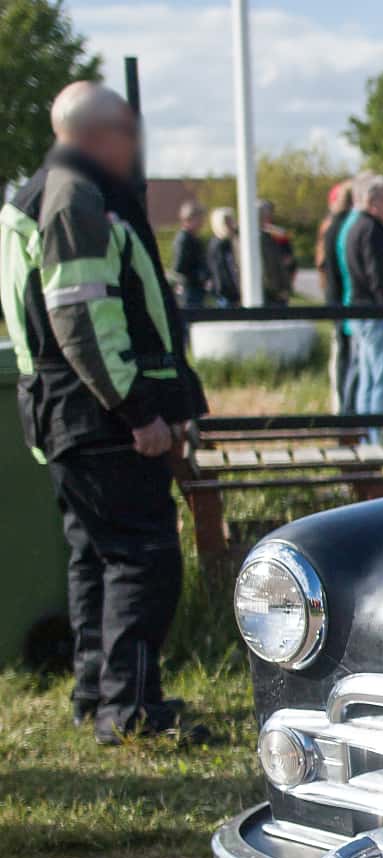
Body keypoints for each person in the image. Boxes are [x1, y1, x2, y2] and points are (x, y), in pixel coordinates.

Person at [0, 82, 209, 743]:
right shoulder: (77, 197)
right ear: (101, 135)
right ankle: (132, 709)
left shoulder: (37, 193)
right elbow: (82, 319)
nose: (134, 149)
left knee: (95, 557)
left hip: (65, 412)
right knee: (143, 559)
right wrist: (138, 411)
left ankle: (98, 696)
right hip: (101, 415)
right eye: (128, 134)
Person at [339, 172, 383, 467]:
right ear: (374, 201)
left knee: (368, 378)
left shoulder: (355, 226)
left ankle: (367, 438)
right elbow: (379, 274)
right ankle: (379, 442)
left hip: (360, 311)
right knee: (381, 379)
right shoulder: (372, 230)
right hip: (375, 313)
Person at [316, 180, 355, 412]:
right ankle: (344, 410)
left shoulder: (332, 225)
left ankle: (341, 408)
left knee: (342, 356)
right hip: (342, 300)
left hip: (335, 297)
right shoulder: (342, 226)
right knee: (344, 358)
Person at [168, 201, 210, 308]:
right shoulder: (184, 240)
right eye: (199, 219)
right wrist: (198, 275)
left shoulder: (193, 238)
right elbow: (179, 267)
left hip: (196, 289)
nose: (202, 222)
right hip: (189, 290)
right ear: (188, 219)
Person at [257, 198, 294, 304]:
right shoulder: (249, 236)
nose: (268, 215)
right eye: (264, 213)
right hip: (266, 290)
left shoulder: (278, 233)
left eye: (270, 211)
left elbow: (288, 258)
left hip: (277, 288)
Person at [207, 206, 240, 305]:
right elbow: (221, 272)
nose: (231, 225)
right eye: (227, 222)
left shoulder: (230, 242)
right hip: (225, 294)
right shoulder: (218, 245)